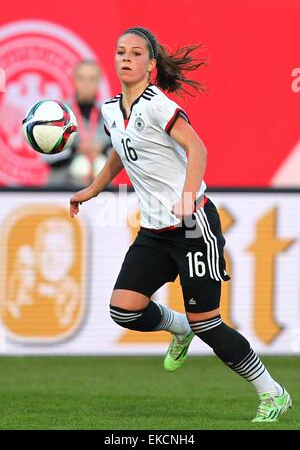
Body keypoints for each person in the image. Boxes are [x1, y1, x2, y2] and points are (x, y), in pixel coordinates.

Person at [69, 27, 292, 422]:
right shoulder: (109, 110)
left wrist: (189, 195)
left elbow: (197, 147)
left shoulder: (158, 105)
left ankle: (273, 392)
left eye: (136, 53)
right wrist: (92, 188)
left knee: (207, 322)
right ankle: (178, 329)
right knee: (124, 310)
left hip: (192, 226)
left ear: (151, 65)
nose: (125, 58)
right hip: (155, 232)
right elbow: (120, 155)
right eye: (120, 52)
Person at [47, 60, 111, 187]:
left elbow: (122, 155)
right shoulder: (58, 113)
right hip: (60, 193)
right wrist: (74, 149)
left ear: (98, 83)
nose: (86, 84)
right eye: (81, 78)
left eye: (92, 79)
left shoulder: (110, 116)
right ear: (73, 81)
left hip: (101, 197)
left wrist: (102, 149)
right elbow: (47, 156)